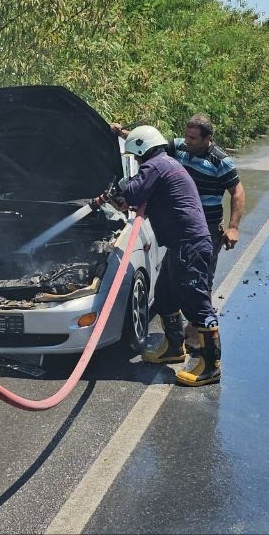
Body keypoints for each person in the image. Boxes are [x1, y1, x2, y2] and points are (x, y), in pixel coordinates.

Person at [97, 125, 220, 387]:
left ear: (142, 148)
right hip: (180, 246)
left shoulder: (155, 166)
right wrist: (122, 200)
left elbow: (132, 191)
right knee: (164, 296)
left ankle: (211, 366)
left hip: (190, 246)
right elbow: (141, 199)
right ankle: (174, 348)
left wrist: (116, 191)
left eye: (136, 156)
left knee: (198, 306)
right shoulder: (166, 164)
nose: (137, 161)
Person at [111, 115, 244, 282]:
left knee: (200, 278)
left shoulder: (221, 161)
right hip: (180, 224)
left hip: (207, 226)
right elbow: (149, 145)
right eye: (186, 135)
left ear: (208, 138)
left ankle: (200, 305)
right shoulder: (179, 147)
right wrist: (122, 132)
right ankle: (172, 304)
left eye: (193, 138)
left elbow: (238, 192)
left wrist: (233, 228)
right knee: (174, 274)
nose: (187, 141)